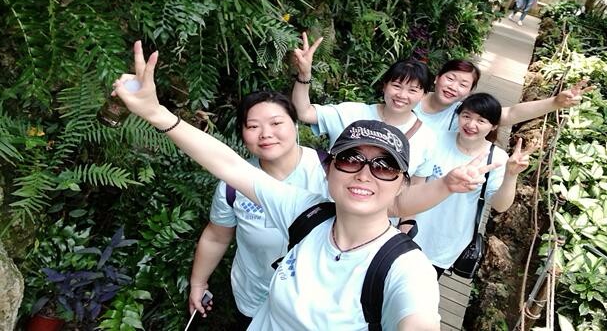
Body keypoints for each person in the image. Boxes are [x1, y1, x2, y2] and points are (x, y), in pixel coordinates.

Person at [114, 41, 500, 330]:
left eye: (384, 166)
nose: (364, 174)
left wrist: (445, 186)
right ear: (329, 171)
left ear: (401, 183)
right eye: (350, 159)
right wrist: (156, 113)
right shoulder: (307, 212)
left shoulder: (404, 266)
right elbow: (229, 165)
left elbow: (417, 317)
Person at [188, 90, 329, 329]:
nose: (265, 134)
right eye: (253, 126)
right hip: (256, 299)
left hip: (318, 304)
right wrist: (198, 283)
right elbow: (216, 236)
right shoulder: (233, 183)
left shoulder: (331, 172)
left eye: (276, 123)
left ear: (295, 124)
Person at [292, 33, 439, 230]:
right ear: (384, 86)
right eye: (396, 86)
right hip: (327, 217)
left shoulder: (427, 138)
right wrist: (304, 75)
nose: (402, 95)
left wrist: (405, 227)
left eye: (413, 90)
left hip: (376, 228)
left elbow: (414, 188)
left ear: (423, 95)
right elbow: (304, 112)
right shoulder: (351, 113)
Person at [412, 93, 532, 278]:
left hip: (445, 243)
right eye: (466, 116)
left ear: (494, 126)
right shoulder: (435, 139)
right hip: (410, 228)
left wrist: (511, 175)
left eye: (481, 120)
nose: (471, 124)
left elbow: (500, 205)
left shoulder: (497, 158)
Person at [415, 58, 593, 133]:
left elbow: (510, 114)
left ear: (469, 92)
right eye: (450, 78)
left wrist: (555, 103)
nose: (453, 87)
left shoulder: (465, 114)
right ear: (437, 78)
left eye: (463, 85)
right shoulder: (410, 99)